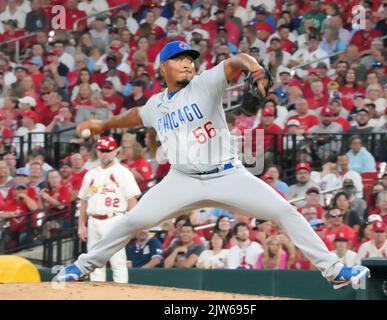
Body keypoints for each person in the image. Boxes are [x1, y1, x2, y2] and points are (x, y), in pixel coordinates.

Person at [58, 40, 370, 289]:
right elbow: (134, 115)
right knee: (130, 221)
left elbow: (237, 61)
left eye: (190, 58)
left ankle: (334, 270)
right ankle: (81, 267)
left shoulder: (205, 84)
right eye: (180, 58)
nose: (187, 62)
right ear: (163, 66)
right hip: (182, 181)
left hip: (228, 175)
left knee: (285, 211)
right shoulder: (156, 104)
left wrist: (256, 70)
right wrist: (103, 126)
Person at [77, 136, 141, 283]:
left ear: (115, 152)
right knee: (93, 261)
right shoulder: (90, 174)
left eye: (108, 150)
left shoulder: (123, 173)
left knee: (117, 261)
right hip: (93, 220)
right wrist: (81, 225)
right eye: (102, 150)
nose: (104, 153)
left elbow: (132, 200)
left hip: (115, 219)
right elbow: (84, 201)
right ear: (97, 152)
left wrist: (133, 225)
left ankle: (122, 296)